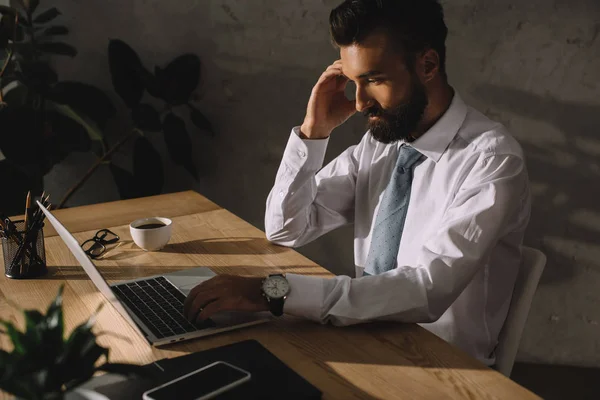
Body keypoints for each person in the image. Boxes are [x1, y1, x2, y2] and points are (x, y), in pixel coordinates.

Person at [184, 0, 531, 365]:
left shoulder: (492, 160)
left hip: (440, 368)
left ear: (427, 65)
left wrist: (275, 291)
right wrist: (313, 132)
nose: (361, 103)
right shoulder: (381, 145)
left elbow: (426, 289)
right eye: (353, 82)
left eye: (374, 79)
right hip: (361, 336)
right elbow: (286, 228)